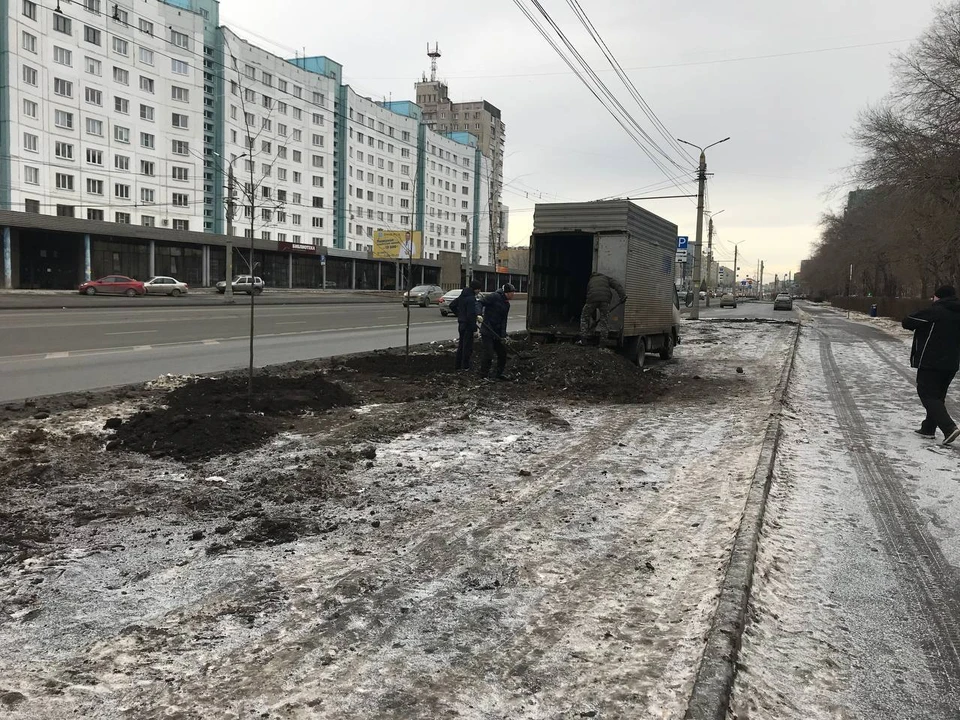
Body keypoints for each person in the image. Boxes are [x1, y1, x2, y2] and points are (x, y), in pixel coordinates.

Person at [902, 285, 960, 445]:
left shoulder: (936, 311)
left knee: (926, 393)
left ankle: (949, 428)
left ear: (938, 297)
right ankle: (928, 427)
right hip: (952, 363)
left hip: (931, 360)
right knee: (938, 395)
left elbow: (908, 322)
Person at [479, 283, 515, 380]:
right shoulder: (494, 297)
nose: (513, 295)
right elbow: (480, 302)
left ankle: (498, 374)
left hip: (497, 333)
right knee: (488, 353)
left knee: (502, 353)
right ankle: (483, 375)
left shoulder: (507, 304)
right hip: (487, 330)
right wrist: (479, 314)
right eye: (512, 293)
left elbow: (504, 320)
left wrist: (503, 335)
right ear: (507, 293)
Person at [579, 272, 626, 343]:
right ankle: (602, 343)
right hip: (605, 301)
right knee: (604, 322)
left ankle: (583, 340)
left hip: (592, 300)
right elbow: (617, 285)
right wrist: (622, 296)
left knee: (584, 317)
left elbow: (589, 294)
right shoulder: (606, 278)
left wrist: (592, 317)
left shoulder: (591, 281)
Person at [449, 279, 482, 371]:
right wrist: (474, 328)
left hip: (461, 324)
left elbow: (452, 305)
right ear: (475, 289)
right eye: (478, 289)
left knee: (461, 345)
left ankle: (458, 365)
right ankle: (465, 366)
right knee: (467, 347)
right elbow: (471, 315)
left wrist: (459, 314)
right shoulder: (471, 298)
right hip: (468, 325)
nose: (479, 291)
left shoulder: (462, 296)